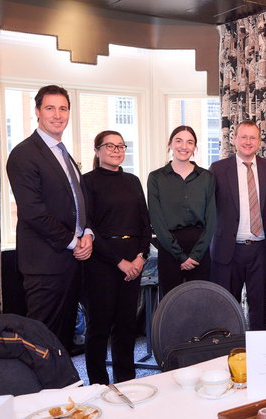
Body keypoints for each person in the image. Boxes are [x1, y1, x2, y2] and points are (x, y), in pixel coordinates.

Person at [6, 85, 93, 350]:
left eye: (63, 108)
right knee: (42, 343)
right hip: (44, 266)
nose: (58, 114)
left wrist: (87, 232)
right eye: (50, 108)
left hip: (70, 264)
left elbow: (79, 202)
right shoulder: (24, 154)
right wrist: (73, 241)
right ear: (37, 112)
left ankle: (64, 390)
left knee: (64, 341)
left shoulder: (62, 152)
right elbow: (33, 212)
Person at [83, 131, 151, 384]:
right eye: (109, 146)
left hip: (133, 261)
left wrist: (140, 257)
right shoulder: (86, 182)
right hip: (101, 262)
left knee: (126, 325)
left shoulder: (133, 180)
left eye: (120, 146)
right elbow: (87, 227)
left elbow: (145, 224)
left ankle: (127, 379)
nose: (116, 150)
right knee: (99, 327)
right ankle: (98, 384)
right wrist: (119, 262)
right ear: (97, 150)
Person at [210, 120, 266, 331]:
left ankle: (259, 357)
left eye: (253, 137)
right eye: (243, 137)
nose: (248, 142)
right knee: (227, 308)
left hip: (261, 250)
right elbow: (208, 208)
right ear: (234, 140)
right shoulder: (218, 169)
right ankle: (228, 355)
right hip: (228, 251)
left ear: (259, 141)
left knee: (259, 308)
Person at [148, 126, 216, 299]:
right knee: (171, 303)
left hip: (199, 247)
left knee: (200, 302)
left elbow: (211, 218)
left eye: (190, 142)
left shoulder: (206, 177)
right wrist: (180, 255)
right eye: (178, 140)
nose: (184, 146)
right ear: (170, 144)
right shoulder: (156, 177)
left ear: (195, 147)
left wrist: (196, 254)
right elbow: (156, 220)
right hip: (168, 248)